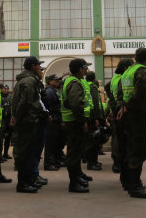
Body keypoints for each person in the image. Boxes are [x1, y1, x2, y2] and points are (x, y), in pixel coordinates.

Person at [117, 47, 146, 198]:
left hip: (127, 115)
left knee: (128, 148)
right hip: (137, 114)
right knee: (139, 149)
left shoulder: (127, 72)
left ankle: (128, 182)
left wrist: (123, 107)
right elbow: (141, 93)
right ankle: (135, 186)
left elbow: (121, 93)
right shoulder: (142, 71)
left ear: (135, 57)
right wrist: (127, 107)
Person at [12, 56, 47, 193]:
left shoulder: (27, 80)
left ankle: (27, 180)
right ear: (33, 66)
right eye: (38, 65)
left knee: (27, 152)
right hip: (27, 121)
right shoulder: (29, 81)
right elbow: (25, 102)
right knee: (25, 153)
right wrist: (18, 118)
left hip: (27, 120)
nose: (40, 68)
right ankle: (22, 183)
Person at [62, 58, 92, 193]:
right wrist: (82, 121)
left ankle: (76, 179)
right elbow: (75, 104)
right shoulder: (74, 82)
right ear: (80, 69)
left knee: (76, 151)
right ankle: (73, 184)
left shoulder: (73, 81)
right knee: (74, 153)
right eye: (85, 68)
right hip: (74, 122)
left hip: (73, 121)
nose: (86, 71)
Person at [105, 58, 134, 174]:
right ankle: (120, 163)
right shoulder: (123, 78)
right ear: (126, 68)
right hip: (122, 110)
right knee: (121, 139)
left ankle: (117, 162)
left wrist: (112, 105)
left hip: (116, 108)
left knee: (117, 137)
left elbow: (108, 89)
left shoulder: (114, 78)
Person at [42, 74, 63, 171]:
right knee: (50, 143)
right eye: (56, 80)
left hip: (56, 119)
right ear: (50, 81)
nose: (58, 82)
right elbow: (47, 106)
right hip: (52, 119)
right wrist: (49, 115)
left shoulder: (53, 90)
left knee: (55, 142)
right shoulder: (49, 91)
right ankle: (48, 163)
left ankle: (54, 161)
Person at [85, 71, 104, 171]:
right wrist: (97, 117)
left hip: (88, 116)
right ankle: (92, 163)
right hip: (93, 117)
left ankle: (92, 161)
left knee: (90, 140)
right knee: (94, 141)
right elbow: (95, 103)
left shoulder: (85, 84)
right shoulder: (92, 87)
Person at [2, 85, 14, 159]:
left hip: (9, 119)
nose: (6, 90)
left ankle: (5, 153)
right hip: (2, 119)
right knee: (1, 138)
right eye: (5, 89)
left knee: (8, 137)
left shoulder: (10, 97)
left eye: (7, 89)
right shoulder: (0, 97)